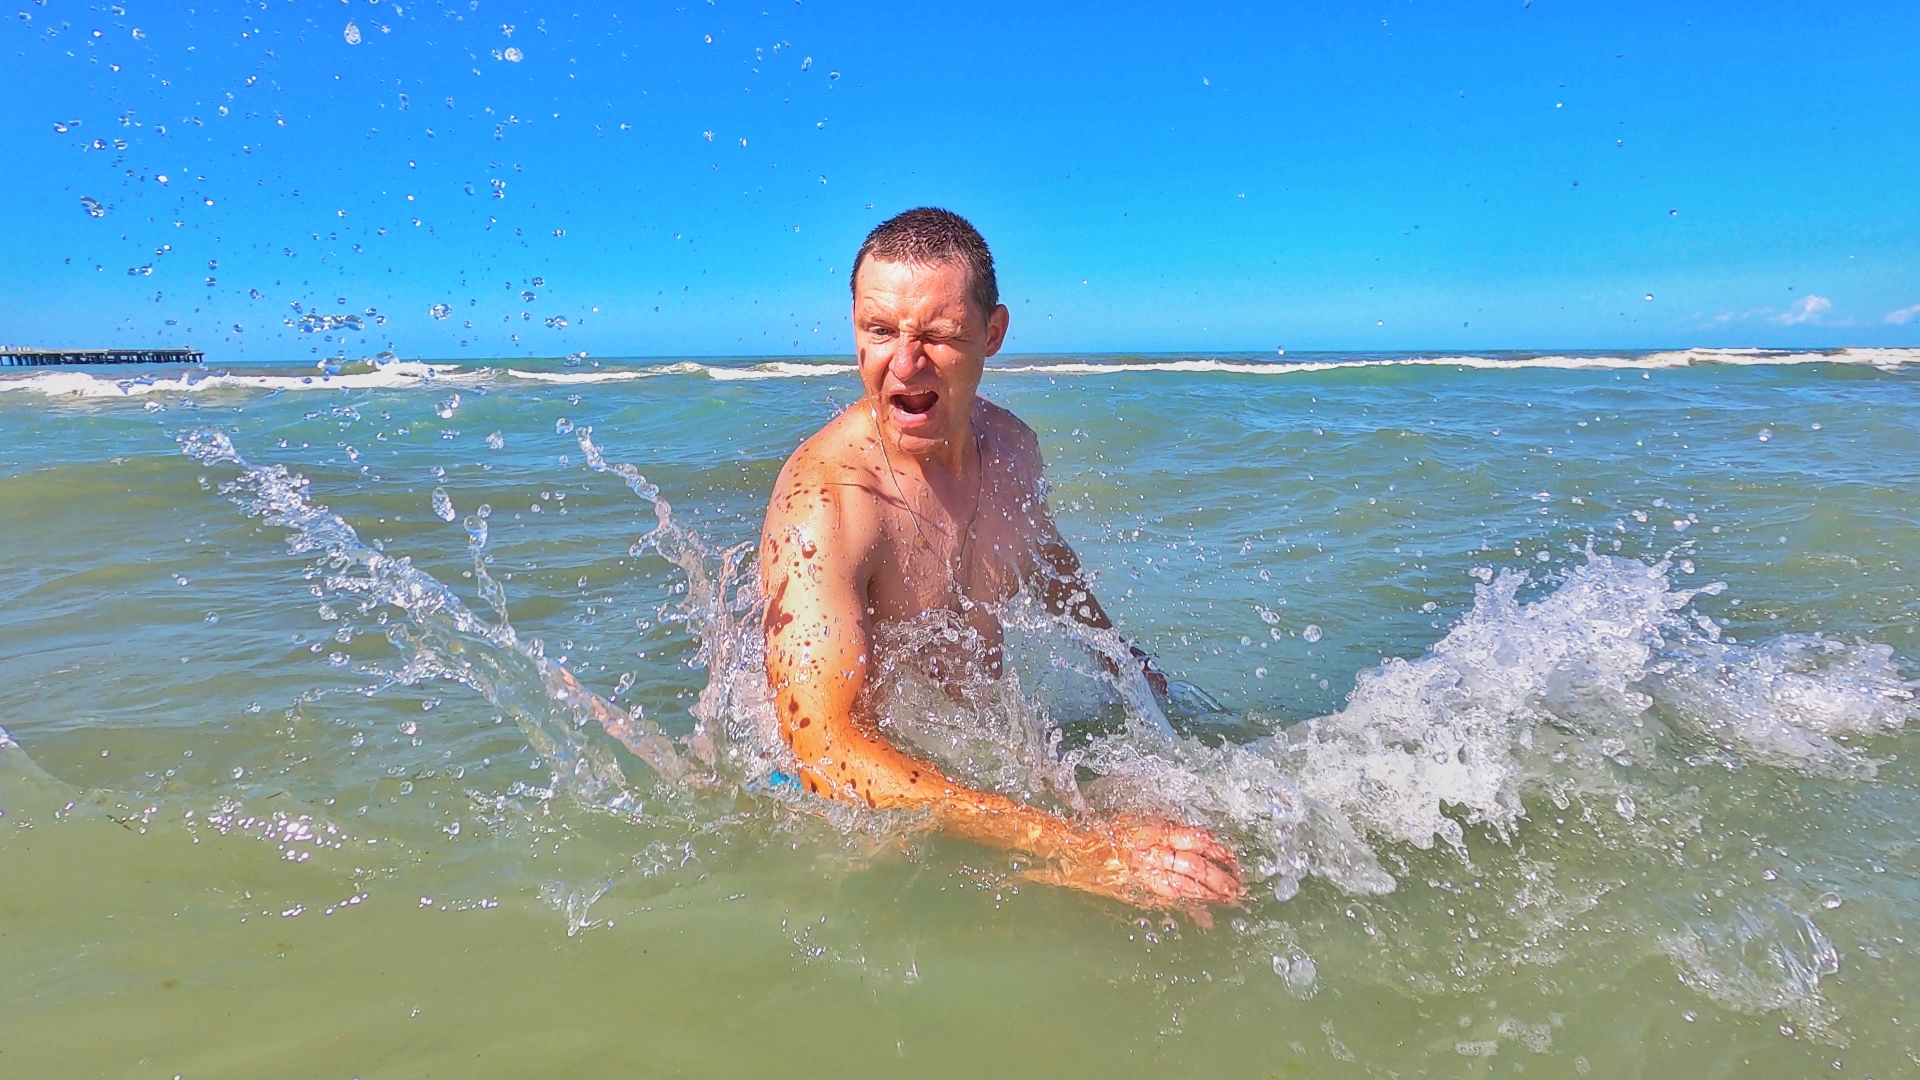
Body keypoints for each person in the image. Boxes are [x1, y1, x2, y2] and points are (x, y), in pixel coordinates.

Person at [758, 208, 1242, 912]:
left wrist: (1121, 661)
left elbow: (1045, 560)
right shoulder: (825, 504)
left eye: (939, 336)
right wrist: (1077, 848)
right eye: (879, 331)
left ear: (993, 335)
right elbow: (827, 752)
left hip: (977, 770)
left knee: (1205, 830)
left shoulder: (1013, 450)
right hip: (849, 805)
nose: (904, 362)